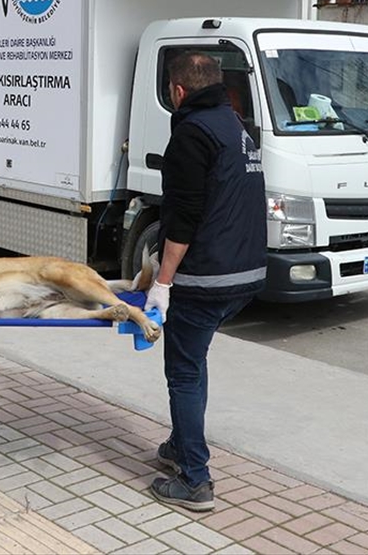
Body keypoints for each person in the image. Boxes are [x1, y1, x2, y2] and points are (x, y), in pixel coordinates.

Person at [143, 51, 267, 512]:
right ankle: (179, 447)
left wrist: (163, 282)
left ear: (177, 91)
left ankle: (195, 479)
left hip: (207, 277)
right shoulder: (236, 126)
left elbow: (183, 218)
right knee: (195, 363)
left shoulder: (192, 134)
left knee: (184, 372)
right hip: (247, 271)